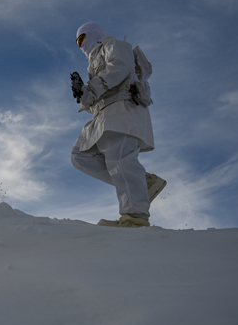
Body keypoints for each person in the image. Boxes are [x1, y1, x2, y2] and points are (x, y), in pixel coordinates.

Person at [70, 21, 166, 227]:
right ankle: (144, 182)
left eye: (81, 38)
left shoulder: (112, 45)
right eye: (77, 42)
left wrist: (92, 89)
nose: (79, 45)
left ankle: (135, 217)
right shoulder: (93, 63)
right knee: (80, 155)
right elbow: (101, 91)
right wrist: (83, 96)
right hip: (104, 116)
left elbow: (120, 66)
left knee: (120, 159)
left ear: (92, 34)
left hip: (123, 109)